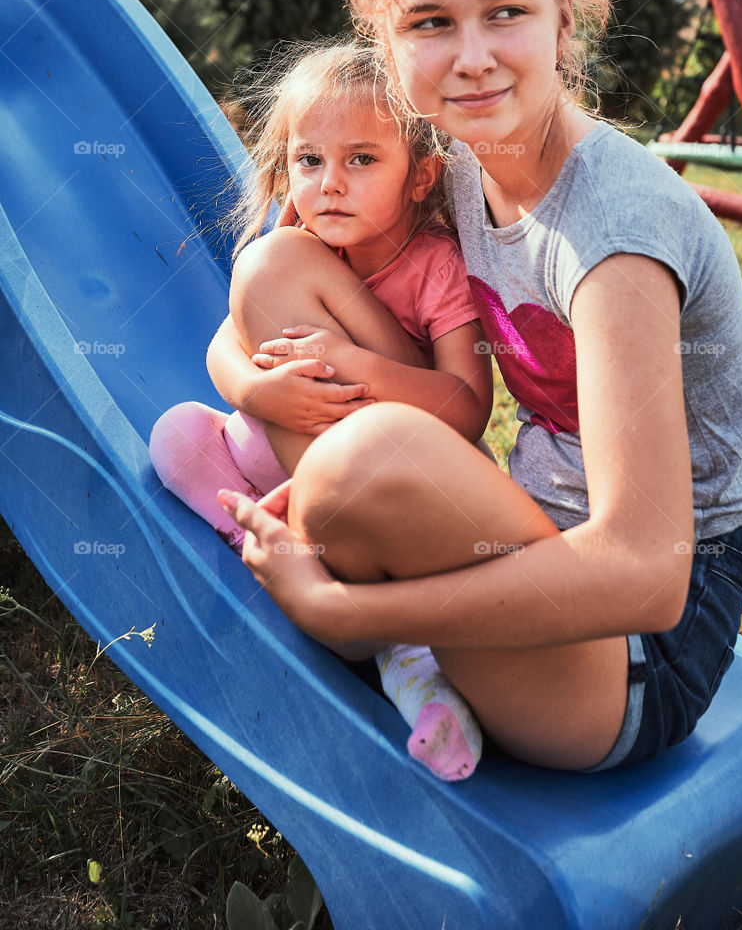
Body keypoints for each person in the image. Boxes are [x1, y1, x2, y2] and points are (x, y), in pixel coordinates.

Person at [217, 0, 742, 774]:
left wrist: (349, 605)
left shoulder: (615, 233)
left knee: (367, 458)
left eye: (505, 12)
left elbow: (647, 574)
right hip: (521, 538)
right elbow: (262, 289)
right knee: (275, 260)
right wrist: (245, 379)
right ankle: (326, 537)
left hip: (638, 655)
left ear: (562, 18)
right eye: (430, 22)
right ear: (389, 48)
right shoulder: (456, 165)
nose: (471, 58)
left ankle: (366, 611)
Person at [149, 41, 492, 780]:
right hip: (279, 444)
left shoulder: (436, 267)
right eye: (310, 162)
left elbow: (467, 409)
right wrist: (255, 392)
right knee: (177, 436)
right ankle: (270, 542)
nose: (330, 184)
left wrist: (362, 367)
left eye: (362, 160)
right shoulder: (304, 244)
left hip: (383, 474)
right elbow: (223, 346)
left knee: (265, 270)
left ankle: (410, 663)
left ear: (419, 175)